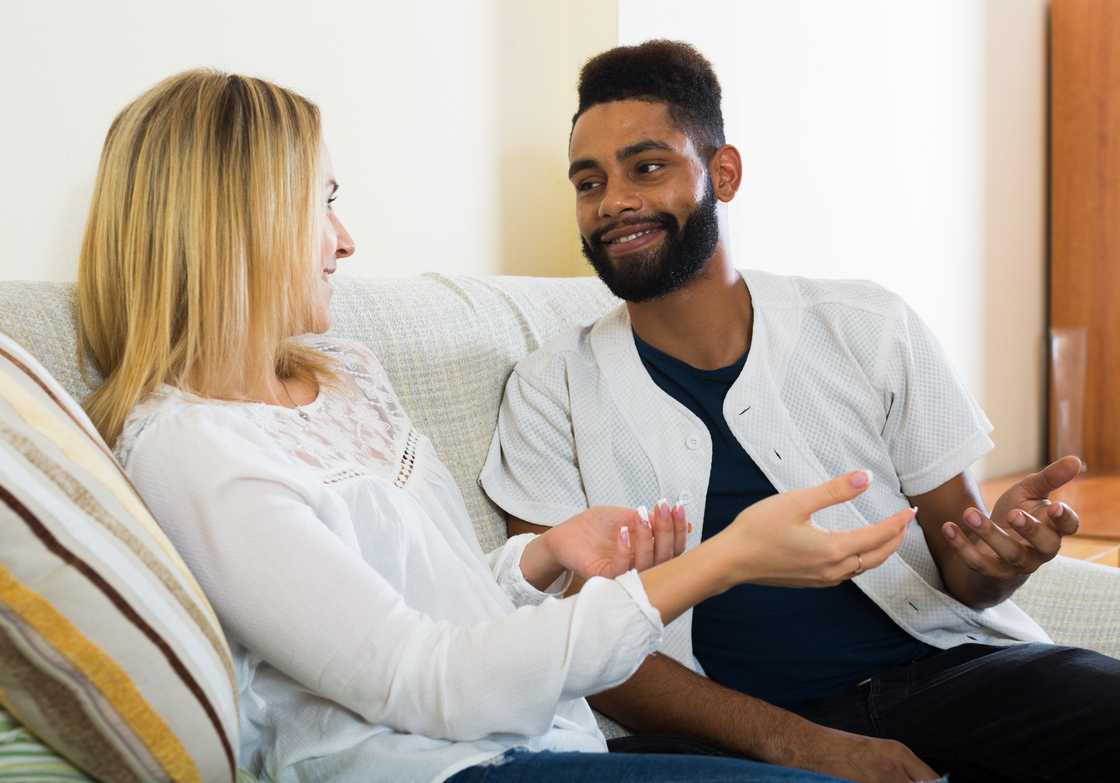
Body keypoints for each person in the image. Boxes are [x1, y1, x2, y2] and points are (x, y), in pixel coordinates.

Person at [76, 69, 923, 783]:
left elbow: (435, 599)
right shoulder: (189, 448)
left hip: (537, 740)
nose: (344, 239)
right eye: (319, 202)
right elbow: (421, 676)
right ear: (234, 222)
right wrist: (718, 561)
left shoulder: (349, 376)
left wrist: (540, 557)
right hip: (432, 767)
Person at [480, 40, 1120, 783]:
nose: (613, 201)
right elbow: (569, 641)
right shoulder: (548, 388)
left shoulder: (867, 324)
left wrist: (1001, 559)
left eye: (646, 166)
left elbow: (964, 568)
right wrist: (799, 743)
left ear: (724, 173)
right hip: (725, 737)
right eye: (589, 182)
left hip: (947, 676)